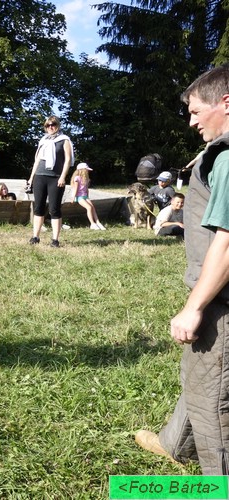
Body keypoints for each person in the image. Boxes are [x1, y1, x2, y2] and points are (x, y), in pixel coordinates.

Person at [134, 64, 229, 475]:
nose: (191, 122)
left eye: (195, 111)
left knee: (213, 400)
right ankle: (176, 444)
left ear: (226, 103)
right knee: (201, 372)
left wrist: (194, 307)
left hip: (223, 301)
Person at [27, 115, 73, 248]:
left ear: (58, 125)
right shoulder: (43, 140)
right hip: (40, 176)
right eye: (48, 125)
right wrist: (31, 178)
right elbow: (37, 160)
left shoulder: (64, 140)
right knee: (38, 207)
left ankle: (55, 240)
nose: (50, 127)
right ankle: (35, 237)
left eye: (53, 125)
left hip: (56, 178)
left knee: (54, 209)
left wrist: (63, 177)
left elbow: (68, 160)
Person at [70, 163, 106, 230]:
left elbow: (86, 189)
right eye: (86, 170)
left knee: (92, 207)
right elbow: (75, 189)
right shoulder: (77, 178)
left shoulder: (86, 179)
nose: (88, 171)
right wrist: (73, 198)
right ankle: (92, 223)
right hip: (79, 197)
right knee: (89, 207)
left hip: (85, 196)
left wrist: (87, 197)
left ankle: (98, 222)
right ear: (82, 170)